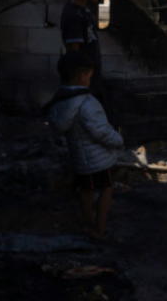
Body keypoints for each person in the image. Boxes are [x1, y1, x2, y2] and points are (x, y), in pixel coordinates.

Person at [45, 52, 124, 240]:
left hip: (80, 159)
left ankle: (87, 223)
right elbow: (101, 132)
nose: (90, 80)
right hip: (97, 160)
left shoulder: (62, 100)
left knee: (86, 190)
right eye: (89, 76)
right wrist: (118, 139)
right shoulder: (87, 103)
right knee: (107, 189)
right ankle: (100, 228)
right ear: (82, 76)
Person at [61, 0, 106, 96]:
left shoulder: (85, 11)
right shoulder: (74, 16)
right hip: (83, 88)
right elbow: (74, 57)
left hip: (92, 85)